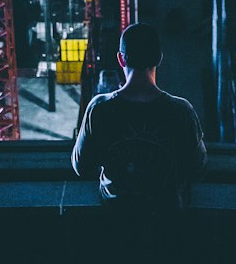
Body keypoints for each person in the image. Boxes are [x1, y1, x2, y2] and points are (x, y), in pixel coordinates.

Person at [71, 23, 207, 207]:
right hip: (167, 222)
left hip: (115, 221)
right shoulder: (181, 111)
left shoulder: (99, 109)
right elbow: (197, 168)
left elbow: (81, 167)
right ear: (159, 57)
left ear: (121, 59)